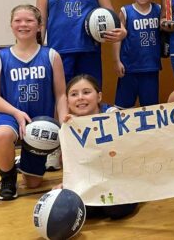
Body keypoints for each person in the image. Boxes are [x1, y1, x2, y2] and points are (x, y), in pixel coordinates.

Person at [0, 4, 67, 200]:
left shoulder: (51, 55)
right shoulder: (0, 57)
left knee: (33, 183)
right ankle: (7, 177)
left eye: (29, 20)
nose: (23, 24)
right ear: (11, 25)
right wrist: (16, 113)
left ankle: (20, 161)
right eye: (18, 21)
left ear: (39, 26)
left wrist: (65, 123)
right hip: (11, 116)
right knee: (1, 134)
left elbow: (61, 94)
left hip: (40, 122)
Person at [55, 74, 138, 220]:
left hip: (121, 178)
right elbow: (74, 165)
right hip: (92, 182)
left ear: (99, 97)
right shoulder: (68, 126)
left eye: (86, 92)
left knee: (115, 210)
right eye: (74, 94)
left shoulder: (113, 115)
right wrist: (67, 184)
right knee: (72, 206)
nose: (80, 97)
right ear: (67, 102)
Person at [114, 0, 161, 108]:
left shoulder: (158, 9)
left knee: (150, 109)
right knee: (123, 109)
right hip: (129, 68)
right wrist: (117, 61)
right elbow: (116, 39)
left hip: (150, 67)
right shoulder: (125, 11)